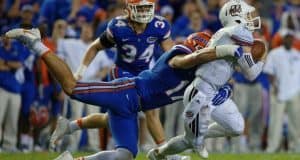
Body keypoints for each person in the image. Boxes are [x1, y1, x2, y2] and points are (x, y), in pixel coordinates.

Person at [5, 27, 242, 159]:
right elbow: (189, 60)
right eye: (210, 53)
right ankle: (36, 42)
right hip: (126, 91)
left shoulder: (203, 77)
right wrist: (221, 51)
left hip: (132, 108)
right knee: (71, 88)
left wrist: (225, 87)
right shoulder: (180, 55)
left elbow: (215, 86)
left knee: (125, 156)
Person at [54, 0, 175, 155]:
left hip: (144, 74)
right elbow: (95, 47)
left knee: (111, 118)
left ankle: (70, 126)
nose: (144, 12)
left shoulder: (159, 26)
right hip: (122, 73)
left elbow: (170, 53)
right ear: (128, 10)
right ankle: (166, 153)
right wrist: (79, 72)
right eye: (140, 8)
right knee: (147, 111)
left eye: (147, 8)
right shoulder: (119, 27)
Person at [147, 0, 265, 159]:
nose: (249, 19)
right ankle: (159, 154)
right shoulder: (230, 32)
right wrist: (261, 52)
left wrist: (261, 58)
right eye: (246, 15)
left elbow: (251, 74)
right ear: (235, 17)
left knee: (237, 127)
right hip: (200, 90)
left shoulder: (236, 39)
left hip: (216, 92)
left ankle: (199, 135)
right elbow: (249, 59)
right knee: (191, 142)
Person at [57, 24, 113, 151]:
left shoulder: (97, 47)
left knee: (94, 116)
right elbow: (58, 44)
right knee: (76, 116)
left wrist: (101, 74)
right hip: (76, 86)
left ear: (93, 32)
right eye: (85, 28)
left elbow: (106, 66)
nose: (87, 31)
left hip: (94, 87)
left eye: (89, 29)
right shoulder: (71, 43)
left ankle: (94, 145)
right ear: (80, 30)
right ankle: (72, 146)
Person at [264, 32, 300, 153]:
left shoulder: (297, 54)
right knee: (276, 122)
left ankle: (295, 147)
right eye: (287, 38)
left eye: (292, 38)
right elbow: (269, 71)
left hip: (295, 92)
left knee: (296, 122)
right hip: (278, 91)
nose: (290, 41)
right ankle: (272, 147)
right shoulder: (275, 53)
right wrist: (274, 85)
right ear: (283, 39)